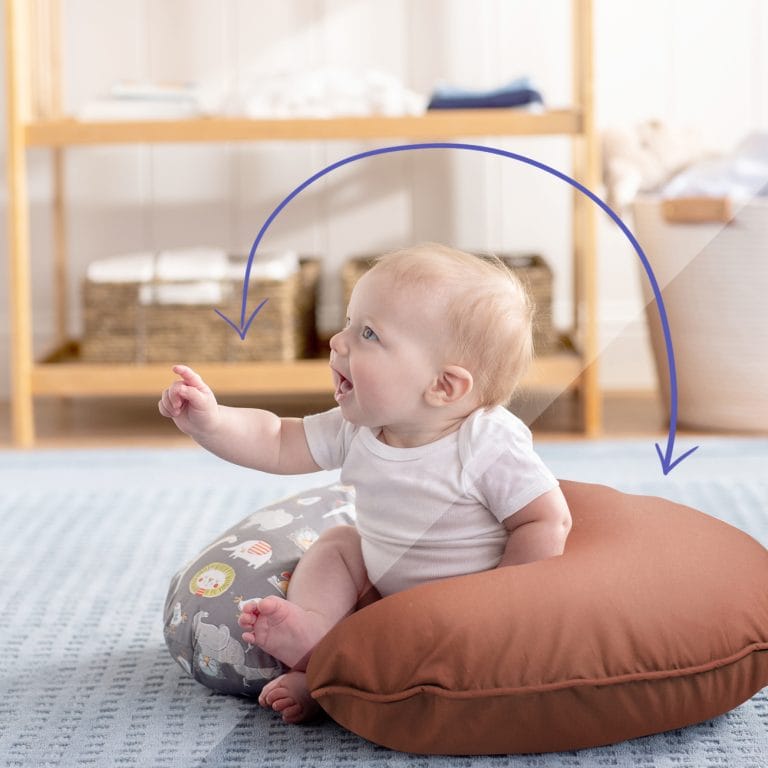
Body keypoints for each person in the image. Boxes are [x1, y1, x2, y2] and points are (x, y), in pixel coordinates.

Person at [159, 242, 572, 724]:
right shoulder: (358, 425)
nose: (338, 341)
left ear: (443, 386)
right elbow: (276, 440)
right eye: (350, 322)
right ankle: (316, 645)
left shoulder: (485, 443)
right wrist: (212, 422)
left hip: (459, 612)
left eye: (369, 333)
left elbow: (546, 517)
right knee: (339, 545)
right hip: (381, 589)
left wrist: (510, 602)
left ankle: (326, 680)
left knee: (397, 652)